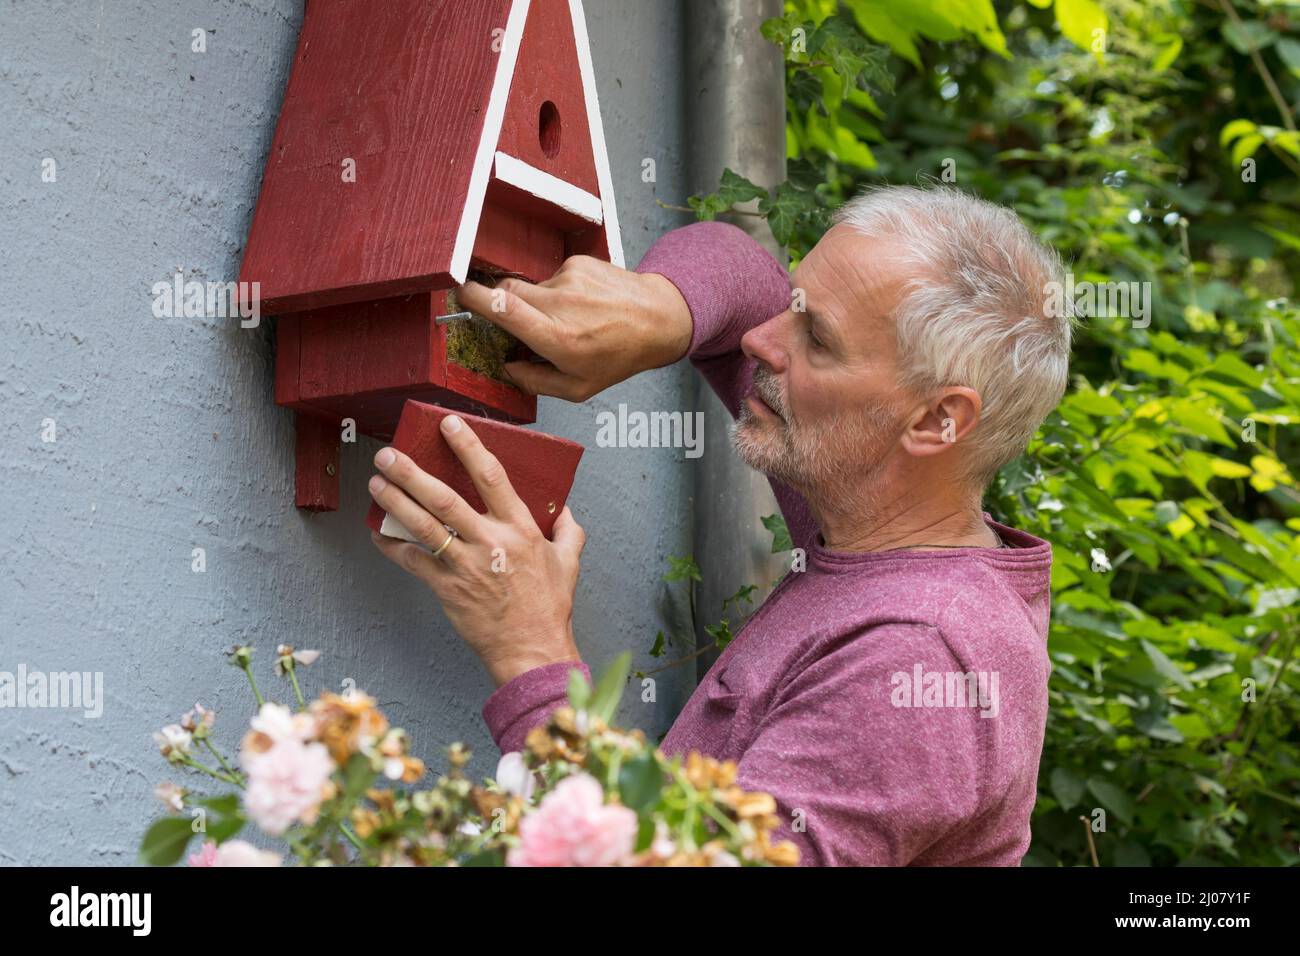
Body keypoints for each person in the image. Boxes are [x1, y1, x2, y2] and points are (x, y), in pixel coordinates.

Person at [366, 184, 1073, 865]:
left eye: (817, 339)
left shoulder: (914, 659)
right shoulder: (879, 520)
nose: (762, 338)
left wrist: (530, 656)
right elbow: (740, 274)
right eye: (795, 307)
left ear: (934, 420)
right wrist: (657, 311)